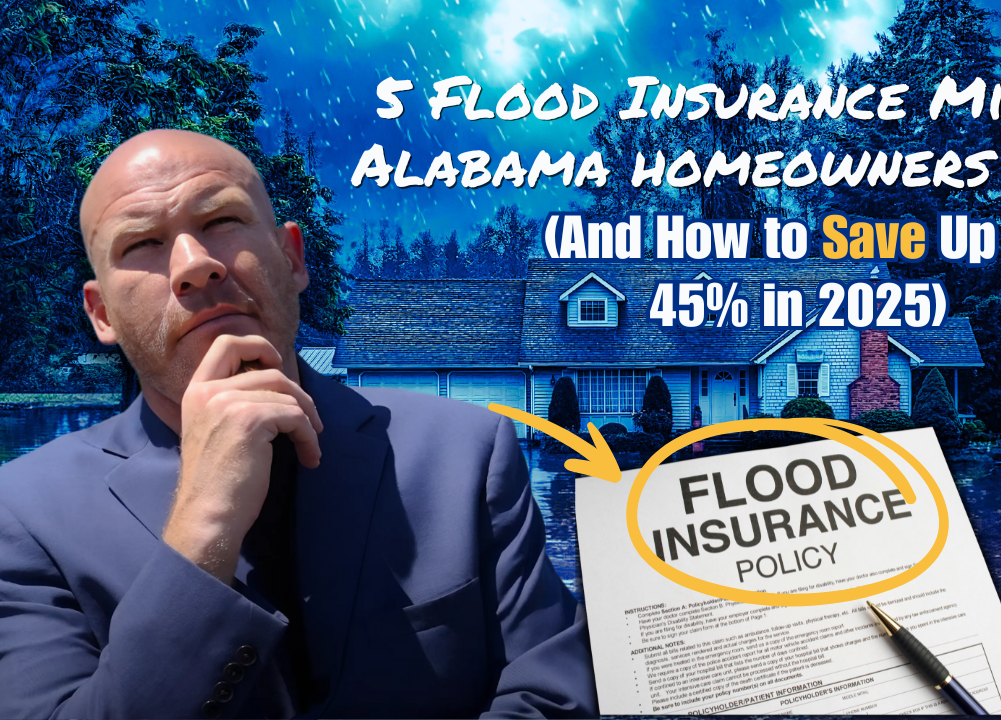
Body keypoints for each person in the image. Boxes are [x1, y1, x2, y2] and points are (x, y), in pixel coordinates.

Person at [0, 129, 599, 719]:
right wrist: (202, 528)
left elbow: (555, 697)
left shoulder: (466, 454)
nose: (195, 264)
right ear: (102, 314)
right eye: (141, 245)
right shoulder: (23, 515)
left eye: (221, 221)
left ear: (291, 258)